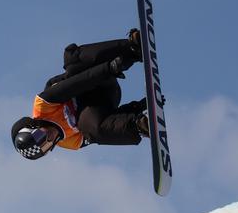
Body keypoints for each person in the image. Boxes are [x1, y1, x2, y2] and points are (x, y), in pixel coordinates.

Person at [11, 29, 149, 160]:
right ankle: (139, 125)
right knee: (89, 128)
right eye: (46, 145)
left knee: (72, 59)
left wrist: (109, 68)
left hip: (95, 77)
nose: (49, 138)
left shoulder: (44, 105)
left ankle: (132, 48)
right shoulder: (69, 142)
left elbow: (78, 83)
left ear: (33, 127)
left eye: (40, 136)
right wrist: (142, 106)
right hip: (105, 99)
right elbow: (104, 128)